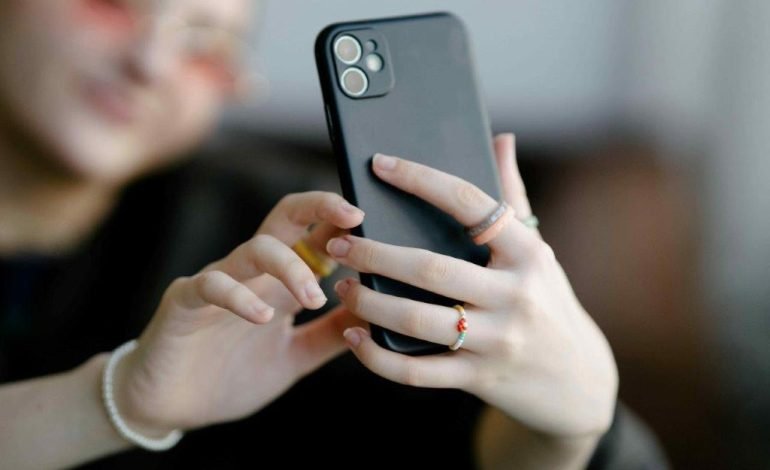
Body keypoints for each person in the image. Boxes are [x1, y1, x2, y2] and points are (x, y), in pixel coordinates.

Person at [0, 0, 667, 468]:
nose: (148, 61)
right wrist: (113, 403)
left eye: (205, 44)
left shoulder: (303, 237)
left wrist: (569, 435)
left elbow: (457, 445)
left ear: (233, 87)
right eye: (112, 3)